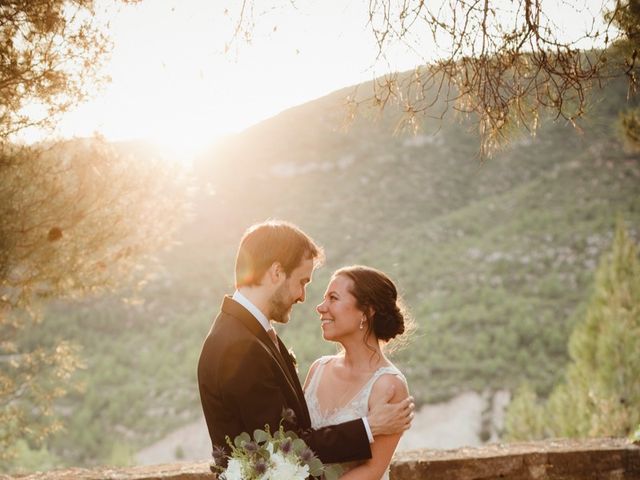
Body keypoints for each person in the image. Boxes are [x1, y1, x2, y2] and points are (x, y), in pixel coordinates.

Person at [197, 220, 414, 469]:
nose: (303, 296)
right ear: (276, 273)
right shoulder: (240, 346)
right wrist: (370, 426)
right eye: (302, 282)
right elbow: (284, 450)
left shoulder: (247, 334)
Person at [304, 266, 411, 480]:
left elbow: (372, 471)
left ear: (366, 311)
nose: (320, 307)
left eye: (333, 298)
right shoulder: (318, 369)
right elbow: (300, 441)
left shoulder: (389, 385)